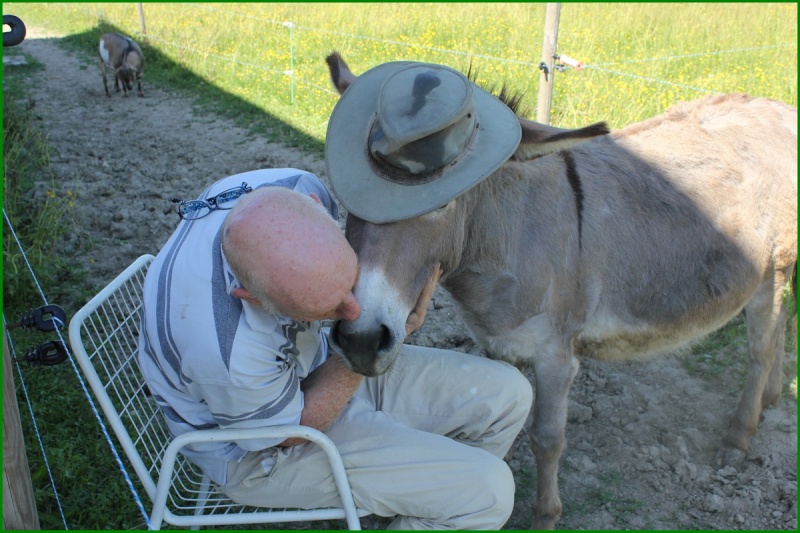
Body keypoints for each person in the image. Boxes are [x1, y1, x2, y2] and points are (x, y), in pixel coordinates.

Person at [138, 167, 533, 529]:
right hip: (262, 448)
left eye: (347, 282)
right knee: (490, 494)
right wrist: (364, 356)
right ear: (251, 297)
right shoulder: (226, 350)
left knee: (511, 394)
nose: (353, 310)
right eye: (326, 307)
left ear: (317, 209)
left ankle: (424, 500)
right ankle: (448, 501)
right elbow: (291, 433)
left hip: (309, 367)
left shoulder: (296, 186)